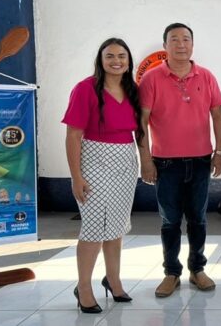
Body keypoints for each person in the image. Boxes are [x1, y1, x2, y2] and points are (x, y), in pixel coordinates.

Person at [138, 23, 221, 298]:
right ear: (165, 45)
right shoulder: (151, 78)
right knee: (170, 221)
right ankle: (171, 272)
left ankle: (197, 269)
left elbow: (218, 115)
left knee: (198, 219)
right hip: (165, 163)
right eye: (174, 39)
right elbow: (141, 121)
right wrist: (145, 159)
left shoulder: (206, 76)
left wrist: (219, 152)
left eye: (186, 39)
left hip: (201, 160)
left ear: (192, 44)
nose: (180, 44)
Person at [62, 38, 143, 313]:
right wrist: (76, 177)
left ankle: (113, 279)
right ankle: (83, 287)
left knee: (116, 225)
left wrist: (145, 161)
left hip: (125, 161)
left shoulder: (133, 89)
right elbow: (73, 135)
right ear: (101, 59)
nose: (116, 61)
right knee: (94, 226)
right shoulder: (85, 88)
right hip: (94, 160)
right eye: (110, 56)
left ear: (128, 61)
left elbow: (140, 131)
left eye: (121, 56)